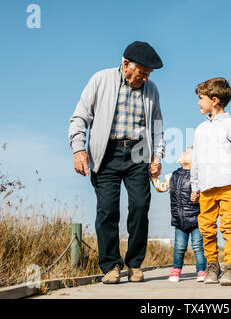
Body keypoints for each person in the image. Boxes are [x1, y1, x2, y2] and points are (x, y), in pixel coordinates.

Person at [68, 41, 165, 284]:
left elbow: (157, 128)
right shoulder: (100, 80)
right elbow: (80, 117)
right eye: (141, 73)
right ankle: (111, 265)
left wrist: (157, 156)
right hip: (107, 152)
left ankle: (134, 264)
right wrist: (78, 149)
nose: (144, 78)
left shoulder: (151, 89)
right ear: (125, 64)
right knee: (108, 210)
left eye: (148, 74)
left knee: (141, 207)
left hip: (139, 152)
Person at [190, 77, 231, 286]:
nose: (198, 103)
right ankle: (212, 266)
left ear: (214, 100)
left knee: (229, 226)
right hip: (206, 187)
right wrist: (194, 185)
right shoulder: (200, 129)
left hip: (229, 185)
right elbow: (196, 160)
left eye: (201, 98)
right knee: (206, 228)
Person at [152, 146, 207, 282]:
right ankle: (176, 270)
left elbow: (207, 194)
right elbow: (162, 187)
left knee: (198, 246)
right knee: (179, 247)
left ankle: (201, 270)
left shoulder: (200, 178)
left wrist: (199, 195)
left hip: (196, 219)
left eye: (187, 153)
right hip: (179, 219)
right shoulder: (173, 176)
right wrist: (154, 177)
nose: (183, 153)